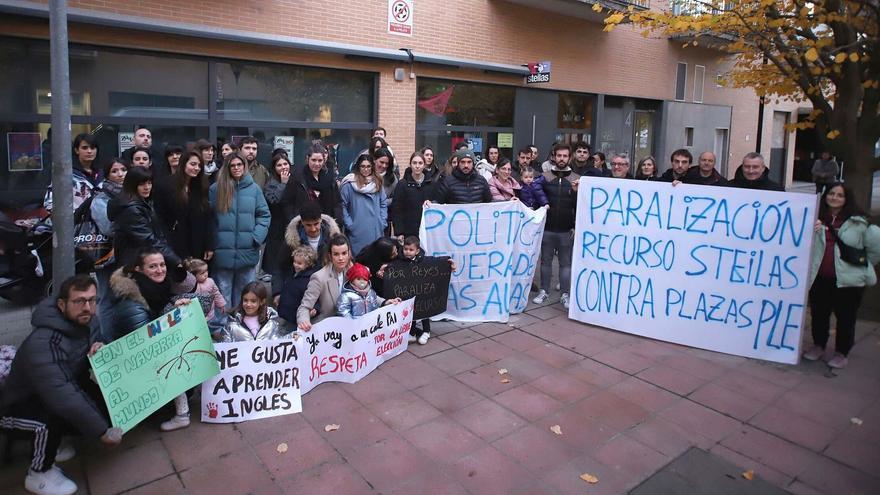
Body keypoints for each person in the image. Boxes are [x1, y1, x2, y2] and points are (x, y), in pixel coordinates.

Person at [0, 275, 122, 495]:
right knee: (47, 423)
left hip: (54, 391)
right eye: (79, 301)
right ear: (61, 304)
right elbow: (62, 393)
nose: (87, 307)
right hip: (15, 406)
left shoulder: (88, 320)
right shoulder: (43, 342)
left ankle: (58, 443)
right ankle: (39, 473)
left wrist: (99, 345)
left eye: (92, 300)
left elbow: (94, 346)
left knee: (101, 402)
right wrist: (101, 430)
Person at [804, 183, 880, 369]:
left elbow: (874, 250)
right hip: (821, 278)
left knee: (846, 318)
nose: (834, 198)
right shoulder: (816, 218)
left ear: (847, 199)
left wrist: (860, 267)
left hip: (849, 282)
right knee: (819, 314)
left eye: (840, 195)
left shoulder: (861, 223)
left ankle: (841, 352)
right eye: (831, 194)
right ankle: (819, 345)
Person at [209, 152, 271, 307]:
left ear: (244, 166)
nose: (236, 168)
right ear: (227, 168)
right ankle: (222, 329)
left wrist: (256, 237)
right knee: (222, 294)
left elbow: (264, 215)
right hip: (223, 251)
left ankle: (241, 326)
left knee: (247, 294)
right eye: (232, 165)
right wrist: (213, 242)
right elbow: (209, 219)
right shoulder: (216, 189)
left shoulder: (254, 189)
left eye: (239, 164)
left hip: (247, 250)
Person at [108, 166, 180, 269]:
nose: (147, 187)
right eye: (142, 184)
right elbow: (148, 240)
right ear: (132, 185)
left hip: (144, 260)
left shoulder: (143, 202)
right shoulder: (131, 209)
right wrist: (176, 261)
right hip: (136, 262)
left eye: (149, 183)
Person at [534, 143, 579, 309]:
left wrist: (575, 224)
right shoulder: (544, 177)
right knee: (545, 262)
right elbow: (534, 194)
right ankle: (544, 291)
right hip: (547, 228)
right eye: (559, 156)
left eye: (565, 156)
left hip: (567, 230)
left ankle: (565, 294)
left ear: (569, 157)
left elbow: (579, 205)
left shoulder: (576, 178)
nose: (561, 159)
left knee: (565, 264)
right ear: (554, 157)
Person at [90, 157, 128, 340]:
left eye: (123, 169)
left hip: (126, 254)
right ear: (107, 175)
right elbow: (107, 227)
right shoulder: (101, 198)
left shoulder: (129, 193)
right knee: (107, 298)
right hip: (107, 256)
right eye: (114, 171)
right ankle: (108, 341)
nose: (120, 174)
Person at [153, 151, 215, 261]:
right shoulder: (164, 185)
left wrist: (209, 245)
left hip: (197, 241)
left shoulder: (202, 186)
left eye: (199, 165)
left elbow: (208, 218)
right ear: (183, 164)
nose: (197, 168)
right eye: (193, 164)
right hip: (174, 241)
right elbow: (160, 217)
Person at [297, 234, 354, 330]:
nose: (341, 258)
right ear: (330, 256)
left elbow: (365, 291)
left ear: (349, 254)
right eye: (336, 254)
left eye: (344, 253)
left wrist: (384, 302)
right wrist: (304, 322)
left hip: (349, 324)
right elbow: (304, 307)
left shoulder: (352, 270)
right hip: (325, 327)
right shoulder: (319, 277)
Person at [340, 153, 388, 255]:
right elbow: (342, 206)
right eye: (363, 166)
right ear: (358, 167)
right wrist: (350, 225)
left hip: (376, 229)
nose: (366, 169)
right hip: (357, 229)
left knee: (375, 259)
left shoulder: (377, 182)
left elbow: (383, 203)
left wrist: (382, 221)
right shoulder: (349, 184)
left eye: (368, 166)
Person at [263, 154, 299, 284]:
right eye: (279, 165)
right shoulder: (270, 184)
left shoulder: (295, 179)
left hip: (293, 223)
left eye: (285, 164)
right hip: (277, 226)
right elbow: (274, 200)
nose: (283, 167)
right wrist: (283, 184)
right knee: (277, 262)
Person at [44, 133, 102, 212]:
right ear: (77, 150)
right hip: (76, 222)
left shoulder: (102, 173)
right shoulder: (66, 174)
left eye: (92, 148)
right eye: (85, 148)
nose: (89, 151)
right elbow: (49, 203)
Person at [283, 200, 341, 274]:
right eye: (308, 225)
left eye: (316, 224)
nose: (313, 229)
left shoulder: (333, 237)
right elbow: (280, 268)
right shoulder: (292, 240)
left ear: (321, 220)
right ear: (302, 223)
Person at [219, 282, 285, 341]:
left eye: (253, 301)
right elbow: (224, 347)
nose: (248, 304)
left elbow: (279, 343)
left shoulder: (271, 324)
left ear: (262, 301)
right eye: (245, 300)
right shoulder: (232, 325)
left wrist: (293, 337)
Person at [392, 151, 436, 238]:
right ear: (410, 164)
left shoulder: (432, 184)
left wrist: (432, 202)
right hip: (408, 232)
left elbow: (438, 202)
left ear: (424, 165)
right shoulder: (402, 184)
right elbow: (397, 210)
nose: (417, 166)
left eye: (420, 163)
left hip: (428, 230)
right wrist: (399, 232)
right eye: (414, 163)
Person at [276, 245, 320, 325]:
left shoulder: (310, 279)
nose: (296, 265)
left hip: (298, 317)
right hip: (285, 314)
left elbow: (314, 297)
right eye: (295, 262)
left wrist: (315, 309)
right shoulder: (292, 274)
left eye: (299, 263)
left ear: (308, 264)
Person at [185, 257, 226, 333]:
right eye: (202, 273)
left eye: (206, 271)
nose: (206, 274)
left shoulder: (210, 281)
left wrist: (221, 304)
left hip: (209, 311)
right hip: (195, 313)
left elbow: (216, 293)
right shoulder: (188, 285)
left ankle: (210, 333)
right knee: (197, 327)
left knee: (208, 324)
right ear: (193, 275)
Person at [299, 145, 338, 219]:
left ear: (324, 160)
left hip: (327, 222)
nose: (317, 164)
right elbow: (288, 203)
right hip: (305, 223)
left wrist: (338, 219)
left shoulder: (330, 178)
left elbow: (337, 202)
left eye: (320, 160)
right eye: (313, 160)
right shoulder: (299, 178)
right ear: (308, 159)